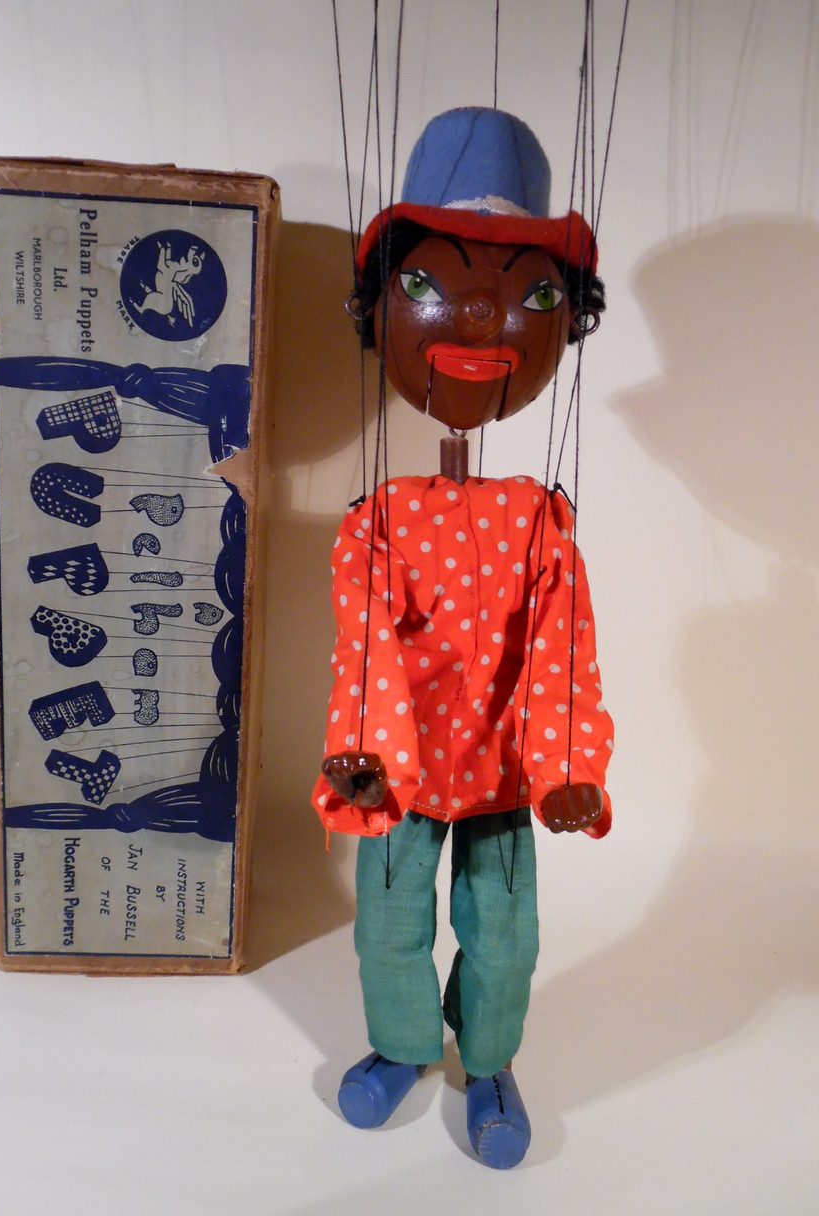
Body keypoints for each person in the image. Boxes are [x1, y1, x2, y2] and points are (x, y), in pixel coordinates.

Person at [311, 107, 614, 1169]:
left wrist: (568, 765)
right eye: (431, 282)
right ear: (379, 306)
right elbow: (360, 637)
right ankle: (403, 1043)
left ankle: (487, 1057)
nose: (481, 315)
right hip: (396, 771)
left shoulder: (537, 518)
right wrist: (361, 747)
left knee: (506, 936)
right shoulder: (383, 516)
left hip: (503, 771)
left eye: (533, 292)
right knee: (388, 926)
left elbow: (565, 640)